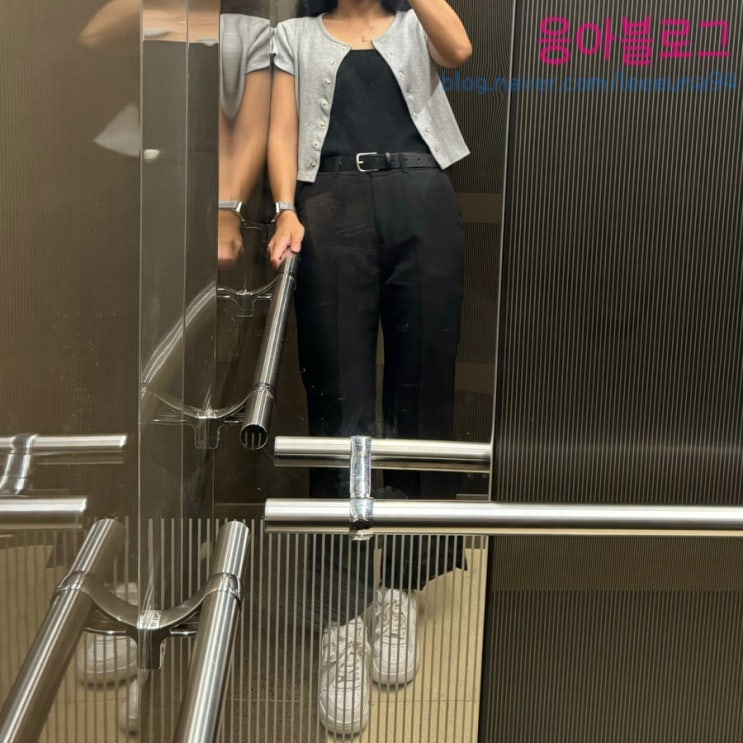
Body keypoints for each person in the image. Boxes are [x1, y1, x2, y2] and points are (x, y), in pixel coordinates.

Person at [268, 0, 471, 734]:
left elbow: (458, 49)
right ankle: (340, 614)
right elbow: (282, 127)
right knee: (337, 404)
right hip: (328, 202)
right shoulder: (292, 35)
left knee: (423, 393)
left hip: (423, 196)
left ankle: (401, 590)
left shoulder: (416, 23)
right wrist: (284, 206)